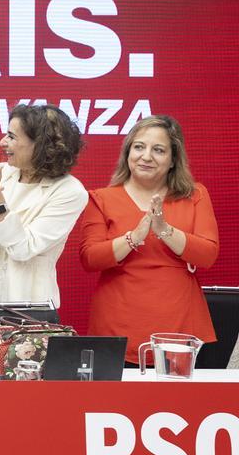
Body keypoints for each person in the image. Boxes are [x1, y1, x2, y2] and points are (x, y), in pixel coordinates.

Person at [80, 115, 218, 365]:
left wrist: (164, 229)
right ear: (127, 152)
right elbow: (90, 259)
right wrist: (134, 238)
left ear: (173, 159)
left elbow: (207, 255)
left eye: (158, 150)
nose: (146, 156)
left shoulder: (195, 195)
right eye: (139, 147)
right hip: (116, 325)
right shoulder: (100, 198)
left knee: (179, 403)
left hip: (180, 323)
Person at [0, 104, 87, 307]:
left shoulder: (70, 192)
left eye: (12, 137)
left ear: (40, 144)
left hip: (28, 306)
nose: (2, 142)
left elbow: (23, 249)